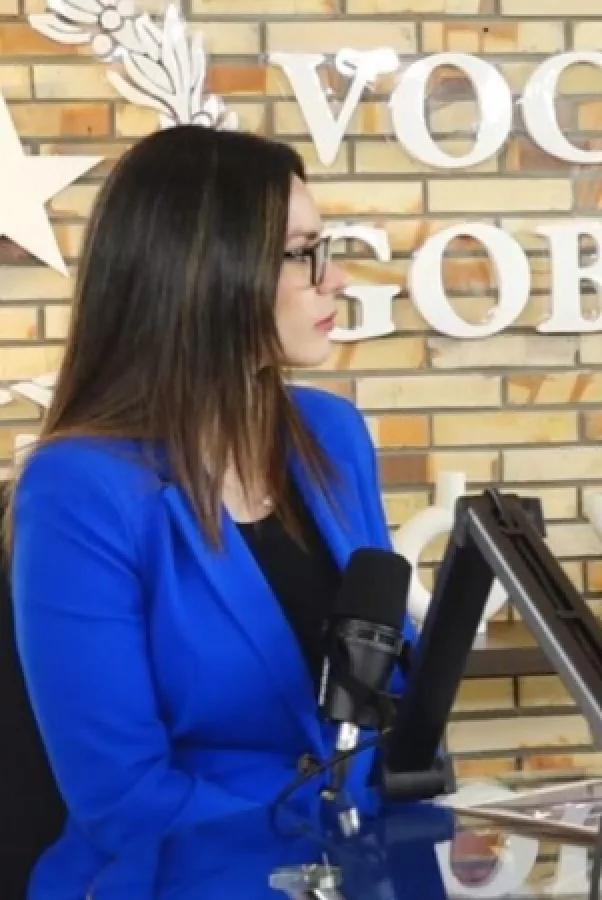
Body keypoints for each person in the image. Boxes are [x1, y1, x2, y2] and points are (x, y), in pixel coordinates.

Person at [3, 125, 404, 898]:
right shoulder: (78, 489)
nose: (338, 278)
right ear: (207, 270)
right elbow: (124, 797)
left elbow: (389, 684)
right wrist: (327, 835)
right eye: (303, 253)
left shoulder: (332, 434)